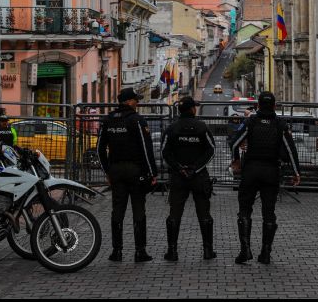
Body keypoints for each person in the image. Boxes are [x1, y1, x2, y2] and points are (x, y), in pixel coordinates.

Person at [229, 91, 301, 265]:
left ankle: (245, 250)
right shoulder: (280, 124)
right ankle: (266, 253)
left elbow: (235, 143)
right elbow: (290, 150)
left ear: (258, 106)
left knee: (245, 209)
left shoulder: (251, 121)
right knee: (269, 212)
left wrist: (236, 160)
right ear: (274, 106)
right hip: (271, 171)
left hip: (251, 170)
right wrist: (296, 172)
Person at [97, 87, 158, 263]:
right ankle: (140, 251)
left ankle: (116, 251)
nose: (137, 103)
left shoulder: (107, 120)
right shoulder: (137, 120)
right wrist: (152, 172)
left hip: (115, 171)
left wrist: (107, 171)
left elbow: (100, 149)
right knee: (138, 209)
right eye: (135, 100)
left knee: (117, 210)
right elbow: (146, 148)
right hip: (135, 171)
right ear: (129, 102)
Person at [161, 96, 217, 261]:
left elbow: (165, 152)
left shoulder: (172, 128)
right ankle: (208, 251)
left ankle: (172, 251)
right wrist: (196, 168)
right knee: (204, 213)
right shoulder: (201, 127)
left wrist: (179, 168)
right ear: (192, 109)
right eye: (195, 107)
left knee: (174, 214)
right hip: (199, 177)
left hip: (178, 177)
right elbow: (211, 150)